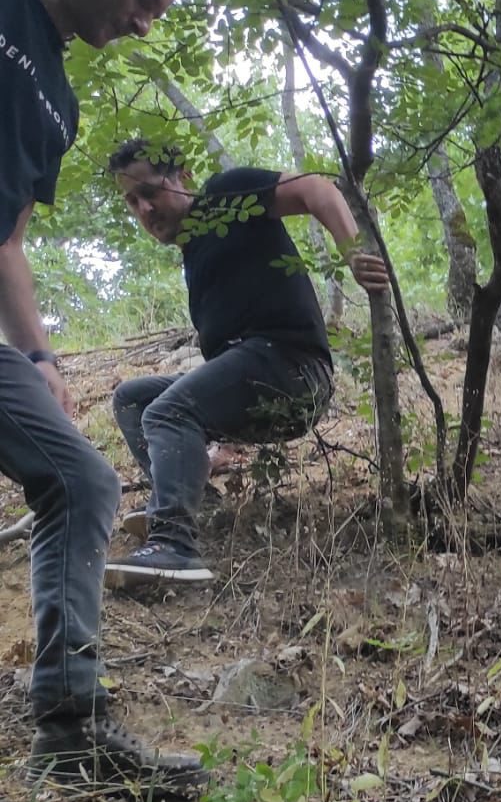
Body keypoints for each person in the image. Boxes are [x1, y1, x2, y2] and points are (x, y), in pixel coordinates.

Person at [0, 0, 206, 786]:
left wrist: (42, 358)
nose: (141, 23)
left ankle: (70, 729)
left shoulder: (62, 99)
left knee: (83, 481)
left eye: (154, 13)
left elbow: (6, 237)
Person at [104, 139, 389, 587]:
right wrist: (205, 450)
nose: (143, 209)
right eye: (132, 202)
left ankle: (173, 545)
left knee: (167, 409)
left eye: (151, 192)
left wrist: (352, 252)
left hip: (293, 369)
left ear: (182, 177)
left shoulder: (225, 193)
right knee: (134, 399)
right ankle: (200, 505)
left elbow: (316, 189)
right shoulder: (194, 252)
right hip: (256, 373)